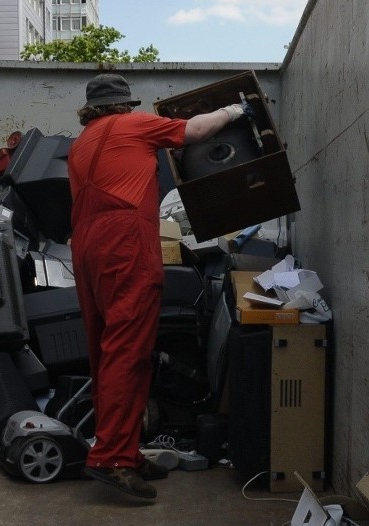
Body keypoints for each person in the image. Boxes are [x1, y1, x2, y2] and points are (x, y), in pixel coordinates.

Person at [68, 73, 249, 500]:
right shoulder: (133, 125)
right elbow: (194, 131)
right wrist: (236, 110)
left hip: (87, 245)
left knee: (109, 352)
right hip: (124, 242)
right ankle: (111, 457)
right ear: (122, 106)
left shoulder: (81, 144)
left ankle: (125, 451)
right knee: (128, 353)